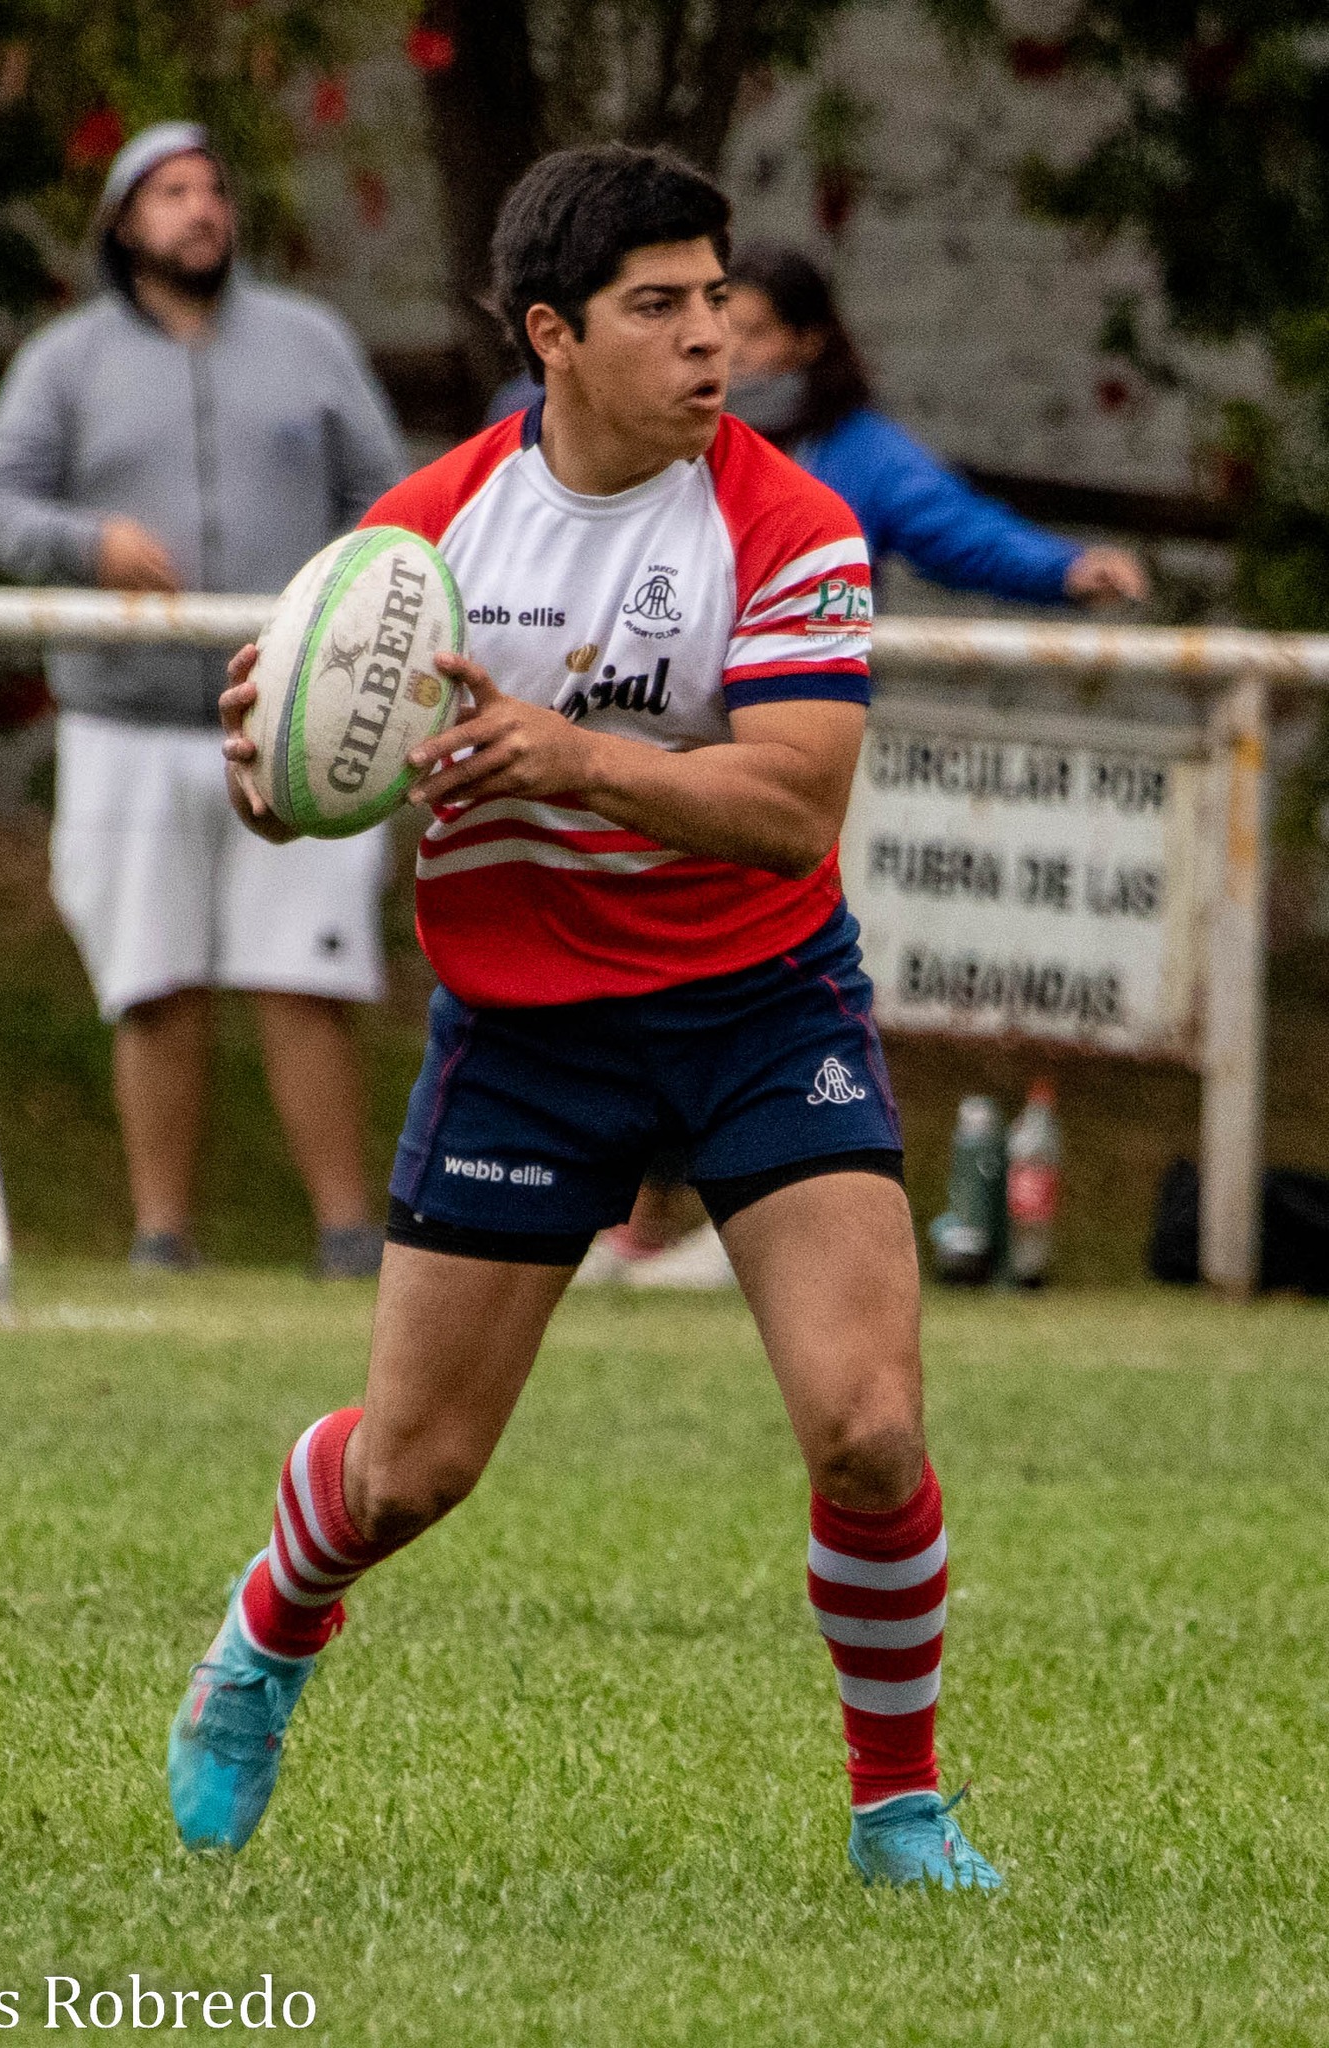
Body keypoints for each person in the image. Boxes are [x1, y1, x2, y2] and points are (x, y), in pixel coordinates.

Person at [167, 143, 1004, 1892]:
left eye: (716, 300)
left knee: (867, 1427)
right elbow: (299, 784)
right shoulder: (423, 536)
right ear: (551, 333)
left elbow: (794, 807)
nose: (710, 338)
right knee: (407, 1474)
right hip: (527, 1032)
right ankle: (268, 1632)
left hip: (760, 1007)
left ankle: (899, 1810)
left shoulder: (791, 522)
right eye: (658, 307)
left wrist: (573, 757)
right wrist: (271, 762)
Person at [588, 239, 1149, 1288]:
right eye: (716, 324)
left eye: (753, 331)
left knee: (758, 990)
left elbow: (955, 529)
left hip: (789, 775)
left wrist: (1066, 569)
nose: (725, 349)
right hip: (675, 770)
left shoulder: (853, 455)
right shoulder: (670, 439)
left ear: (808, 341)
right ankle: (651, 1220)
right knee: (663, 980)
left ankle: (722, 1218)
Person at [0, 123, 406, 1276]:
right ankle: (162, 1237)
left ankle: (348, 1236)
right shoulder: (65, 361)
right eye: (169, 191)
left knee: (306, 974)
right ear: (123, 223)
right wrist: (86, 543)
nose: (200, 208)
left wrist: (336, 602)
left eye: (212, 188)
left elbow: (390, 498)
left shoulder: (310, 342)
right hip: (125, 718)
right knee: (152, 981)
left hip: (291, 718)